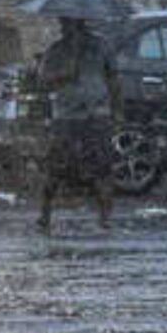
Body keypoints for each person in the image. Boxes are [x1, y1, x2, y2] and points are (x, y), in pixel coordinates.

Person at [37, 17, 124, 232]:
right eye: (64, 25)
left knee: (102, 166)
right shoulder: (56, 50)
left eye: (69, 25)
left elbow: (113, 78)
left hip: (97, 114)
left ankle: (105, 217)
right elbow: (43, 80)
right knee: (56, 166)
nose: (65, 29)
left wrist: (118, 111)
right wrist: (63, 74)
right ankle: (44, 214)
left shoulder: (101, 46)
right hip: (66, 115)